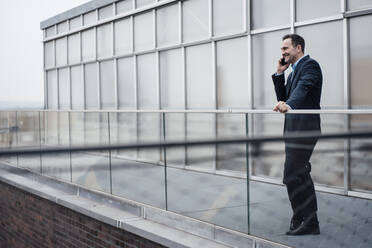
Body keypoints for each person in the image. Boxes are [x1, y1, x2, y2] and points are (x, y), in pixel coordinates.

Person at [272, 34, 322, 235]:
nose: (282, 52)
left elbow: (302, 90)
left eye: (286, 48)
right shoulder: (292, 72)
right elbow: (284, 98)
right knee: (297, 174)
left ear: (298, 48)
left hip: (305, 130)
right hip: (293, 130)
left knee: (293, 175)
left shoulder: (310, 66)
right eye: (282, 49)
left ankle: (307, 219)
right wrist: (279, 74)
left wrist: (290, 104)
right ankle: (304, 217)